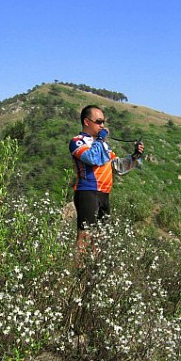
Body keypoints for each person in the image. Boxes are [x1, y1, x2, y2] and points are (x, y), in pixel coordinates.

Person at [69, 105, 144, 254]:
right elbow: (91, 158)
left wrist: (134, 156)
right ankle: (77, 276)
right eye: (98, 121)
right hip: (88, 191)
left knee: (100, 239)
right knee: (84, 237)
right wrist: (101, 139)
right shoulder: (77, 141)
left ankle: (93, 274)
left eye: (103, 122)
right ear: (87, 122)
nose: (102, 125)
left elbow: (118, 167)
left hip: (104, 193)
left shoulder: (103, 145)